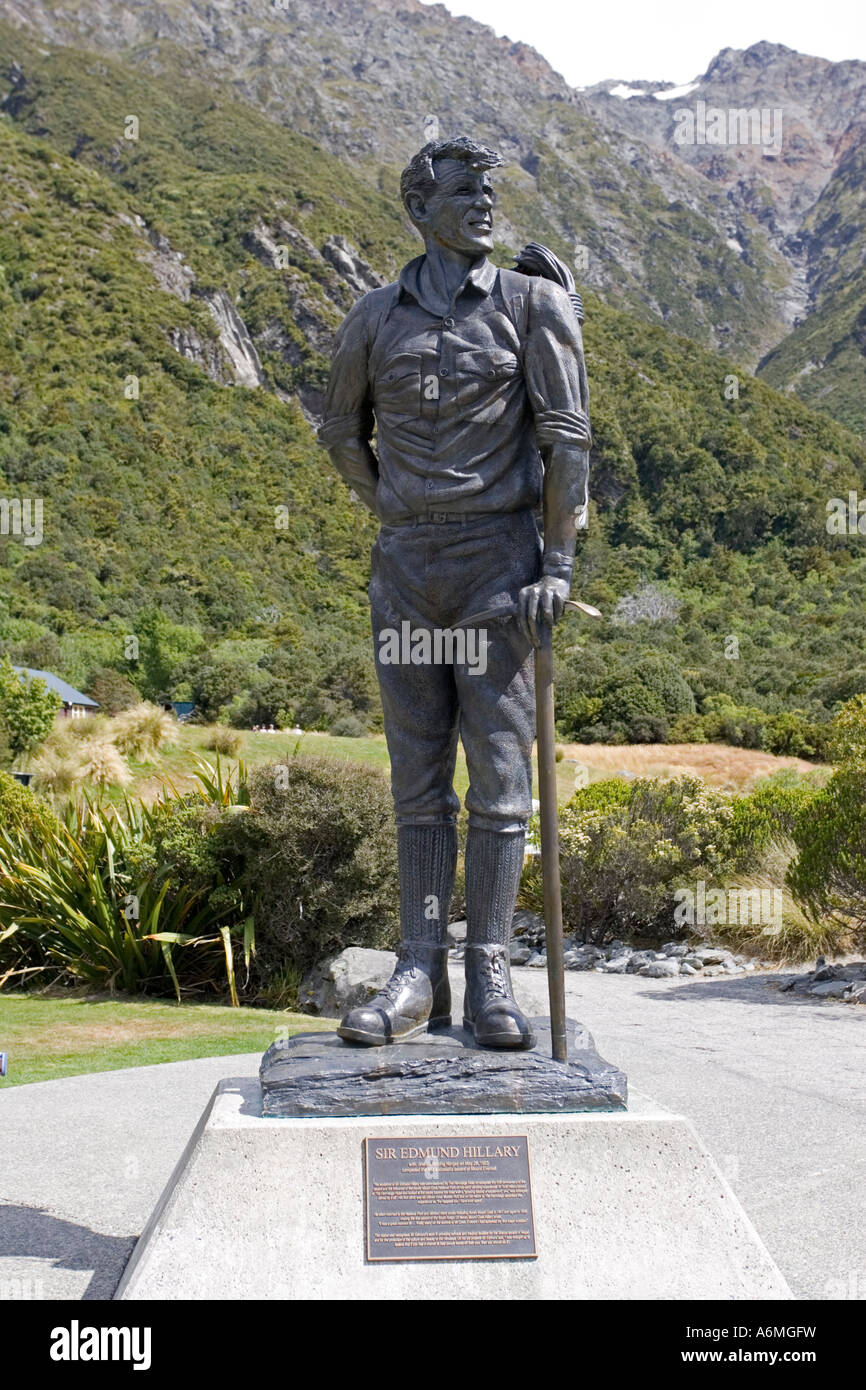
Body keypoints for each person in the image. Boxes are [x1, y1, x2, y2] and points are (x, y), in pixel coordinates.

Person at [319, 136, 590, 1049]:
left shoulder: (531, 304)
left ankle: (492, 980)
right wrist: (394, 509)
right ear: (419, 207)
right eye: (465, 191)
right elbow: (340, 434)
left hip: (497, 572)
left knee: (503, 789)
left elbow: (567, 443)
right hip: (406, 573)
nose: (483, 203)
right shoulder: (373, 317)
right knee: (418, 787)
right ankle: (417, 971)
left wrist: (555, 567)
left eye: (489, 191)